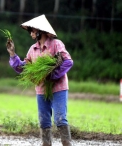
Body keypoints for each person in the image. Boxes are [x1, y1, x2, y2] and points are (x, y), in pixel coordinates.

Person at [6, 14, 73, 146]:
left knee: (60, 119)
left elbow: (68, 62)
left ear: (40, 31)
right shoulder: (33, 49)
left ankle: (67, 143)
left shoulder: (56, 44)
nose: (30, 33)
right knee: (44, 122)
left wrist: (52, 75)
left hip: (58, 88)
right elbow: (24, 68)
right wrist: (12, 54)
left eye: (32, 30)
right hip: (42, 90)